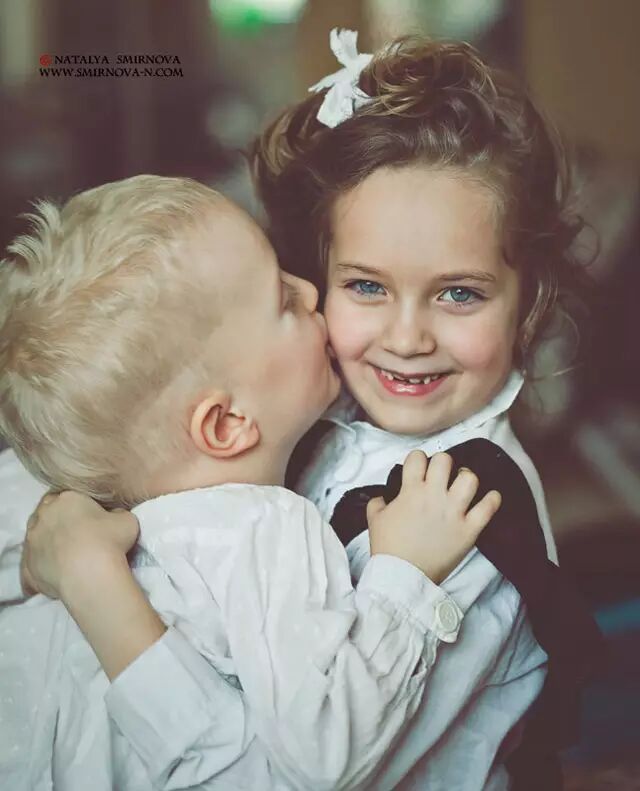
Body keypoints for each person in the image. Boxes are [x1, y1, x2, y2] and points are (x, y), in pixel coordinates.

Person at [0, 174, 501, 790]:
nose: (310, 290)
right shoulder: (266, 531)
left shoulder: (68, 492)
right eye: (283, 301)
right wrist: (405, 576)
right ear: (226, 424)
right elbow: (324, 757)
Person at [249, 28, 598, 788]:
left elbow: (319, 768)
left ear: (529, 303)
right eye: (366, 286)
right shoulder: (328, 422)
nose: (407, 339)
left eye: (458, 293)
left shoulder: (472, 509)